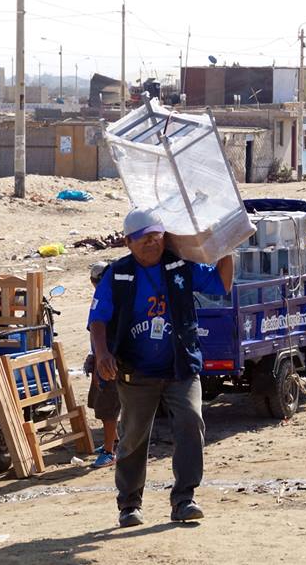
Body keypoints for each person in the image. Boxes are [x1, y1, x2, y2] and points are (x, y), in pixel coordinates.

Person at [88, 208, 233, 527]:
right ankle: (129, 504)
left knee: (191, 423)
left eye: (157, 236)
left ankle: (184, 499)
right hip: (136, 371)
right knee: (133, 437)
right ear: (128, 242)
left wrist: (226, 247)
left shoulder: (180, 265)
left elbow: (221, 284)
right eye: (144, 239)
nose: (152, 243)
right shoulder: (118, 274)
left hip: (181, 367)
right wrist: (101, 354)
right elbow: (98, 319)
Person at [84, 260, 121, 469]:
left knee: (108, 408)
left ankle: (109, 452)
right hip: (105, 360)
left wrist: (99, 363)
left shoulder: (108, 300)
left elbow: (102, 336)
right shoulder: (111, 297)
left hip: (108, 363)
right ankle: (113, 441)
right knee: (104, 404)